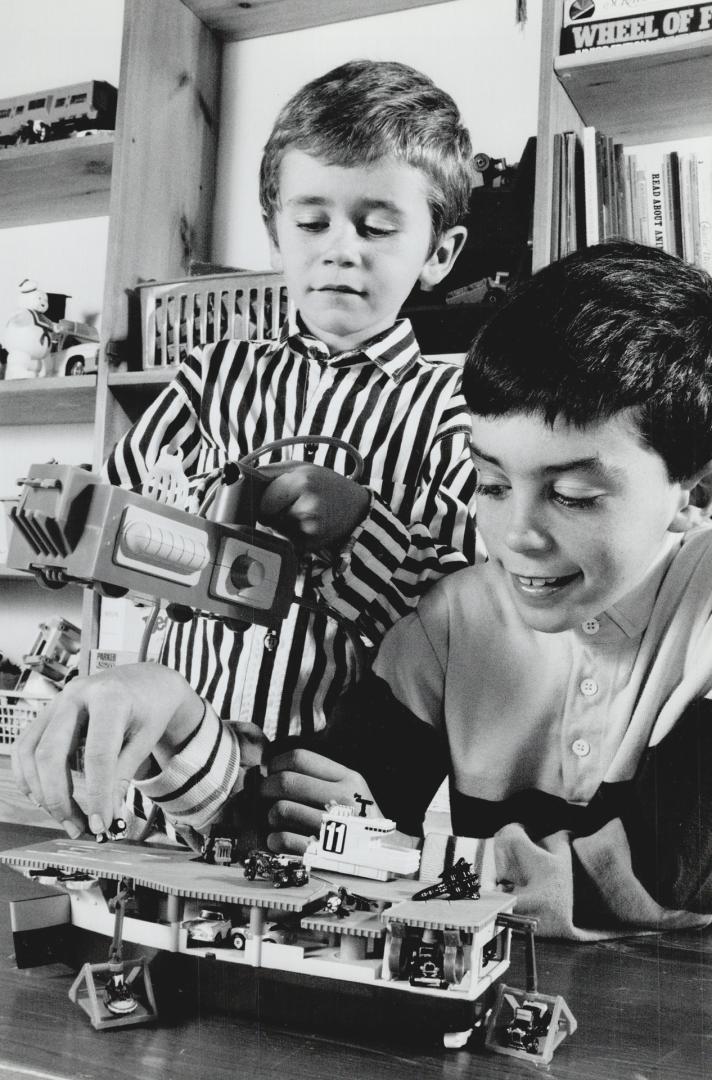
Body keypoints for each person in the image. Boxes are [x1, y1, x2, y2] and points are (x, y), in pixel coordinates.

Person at [11, 59, 478, 840]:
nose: (341, 250)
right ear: (274, 233)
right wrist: (69, 520)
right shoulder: (215, 372)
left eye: (378, 226)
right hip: (178, 756)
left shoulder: (452, 404)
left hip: (326, 780)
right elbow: (117, 522)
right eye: (312, 221)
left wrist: (359, 523)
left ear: (440, 251)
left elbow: (461, 615)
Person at [256, 242, 712, 938]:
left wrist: (408, 865)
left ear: (694, 489)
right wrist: (306, 808)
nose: (515, 534)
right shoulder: (454, 619)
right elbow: (333, 816)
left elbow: (670, 864)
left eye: (574, 496)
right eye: (492, 484)